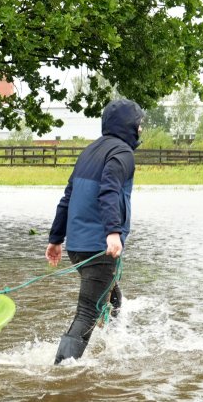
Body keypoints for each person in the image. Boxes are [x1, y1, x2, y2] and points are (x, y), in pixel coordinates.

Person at [45, 98, 143, 362]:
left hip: (77, 247)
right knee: (88, 312)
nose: (141, 129)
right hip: (98, 246)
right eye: (139, 124)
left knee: (114, 299)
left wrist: (56, 239)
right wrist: (112, 232)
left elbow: (67, 196)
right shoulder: (123, 153)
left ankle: (113, 349)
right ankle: (62, 372)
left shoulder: (89, 152)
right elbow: (110, 189)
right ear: (129, 126)